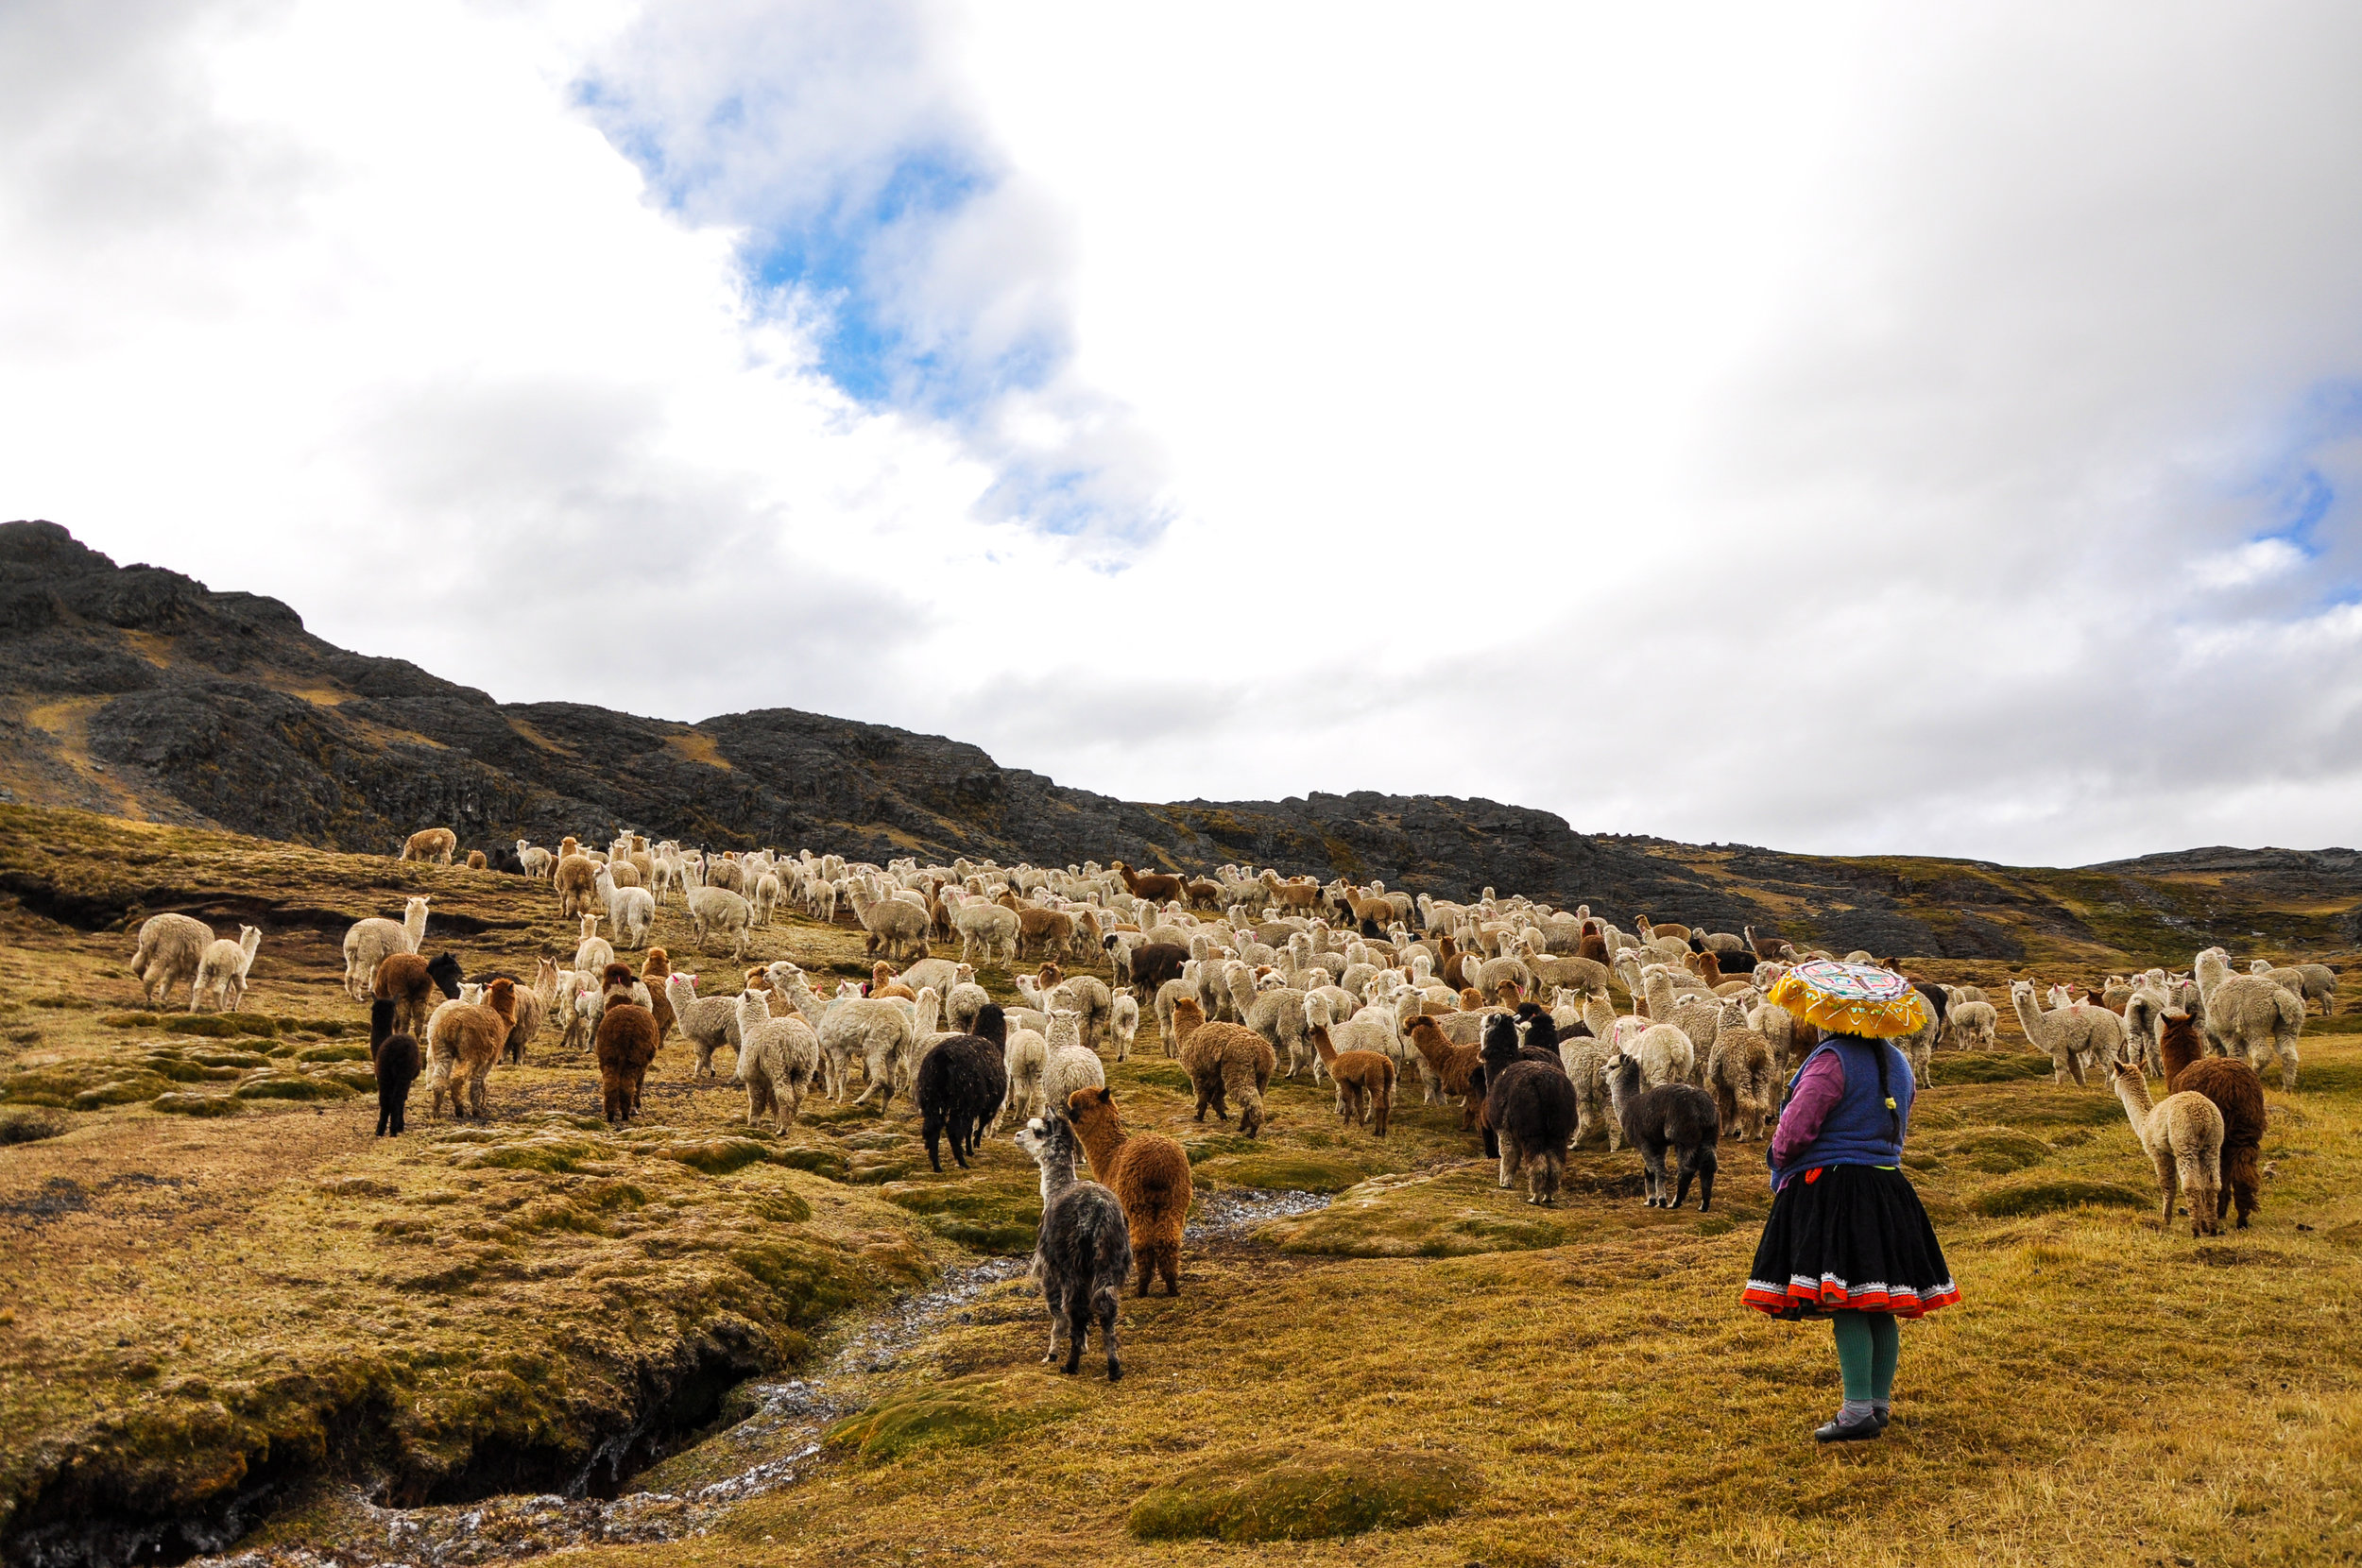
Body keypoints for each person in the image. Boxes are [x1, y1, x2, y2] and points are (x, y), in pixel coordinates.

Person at [1742, 961, 1959, 1442]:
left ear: (1832, 1013)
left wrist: (1777, 1157)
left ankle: (1856, 1410)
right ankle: (1875, 1405)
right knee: (1876, 1299)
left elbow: (1796, 1129)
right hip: (1887, 1187)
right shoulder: (1897, 1062)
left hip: (1837, 1190)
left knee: (1847, 1301)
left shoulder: (1829, 1060)